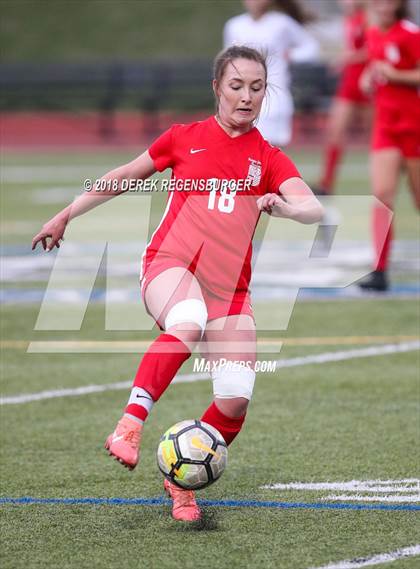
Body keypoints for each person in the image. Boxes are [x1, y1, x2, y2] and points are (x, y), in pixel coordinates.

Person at [32, 46, 323, 522]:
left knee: (234, 400)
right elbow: (125, 175)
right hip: (169, 266)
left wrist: (286, 206)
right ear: (216, 88)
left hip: (230, 290)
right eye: (236, 86)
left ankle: (179, 479)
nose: (246, 96)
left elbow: (312, 207)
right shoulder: (183, 138)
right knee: (188, 320)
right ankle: (130, 424)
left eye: (256, 87)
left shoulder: (268, 157)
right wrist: (66, 214)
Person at [358, 0, 420, 291]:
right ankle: (380, 271)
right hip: (385, 127)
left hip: (414, 127)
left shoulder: (410, 33)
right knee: (382, 196)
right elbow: (374, 68)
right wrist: (366, 78)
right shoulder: (372, 33)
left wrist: (396, 75)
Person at [223, 0, 319, 147]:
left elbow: (310, 47)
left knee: (270, 149)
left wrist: (292, 56)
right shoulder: (234, 25)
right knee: (243, 146)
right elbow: (228, 60)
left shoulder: (281, 23)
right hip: (244, 96)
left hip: (274, 94)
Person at [314, 0, 370, 195]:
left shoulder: (369, 17)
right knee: (334, 132)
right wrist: (343, 62)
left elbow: (373, 49)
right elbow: (353, 49)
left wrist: (347, 58)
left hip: (368, 84)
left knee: (378, 137)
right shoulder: (350, 19)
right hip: (349, 84)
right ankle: (326, 184)